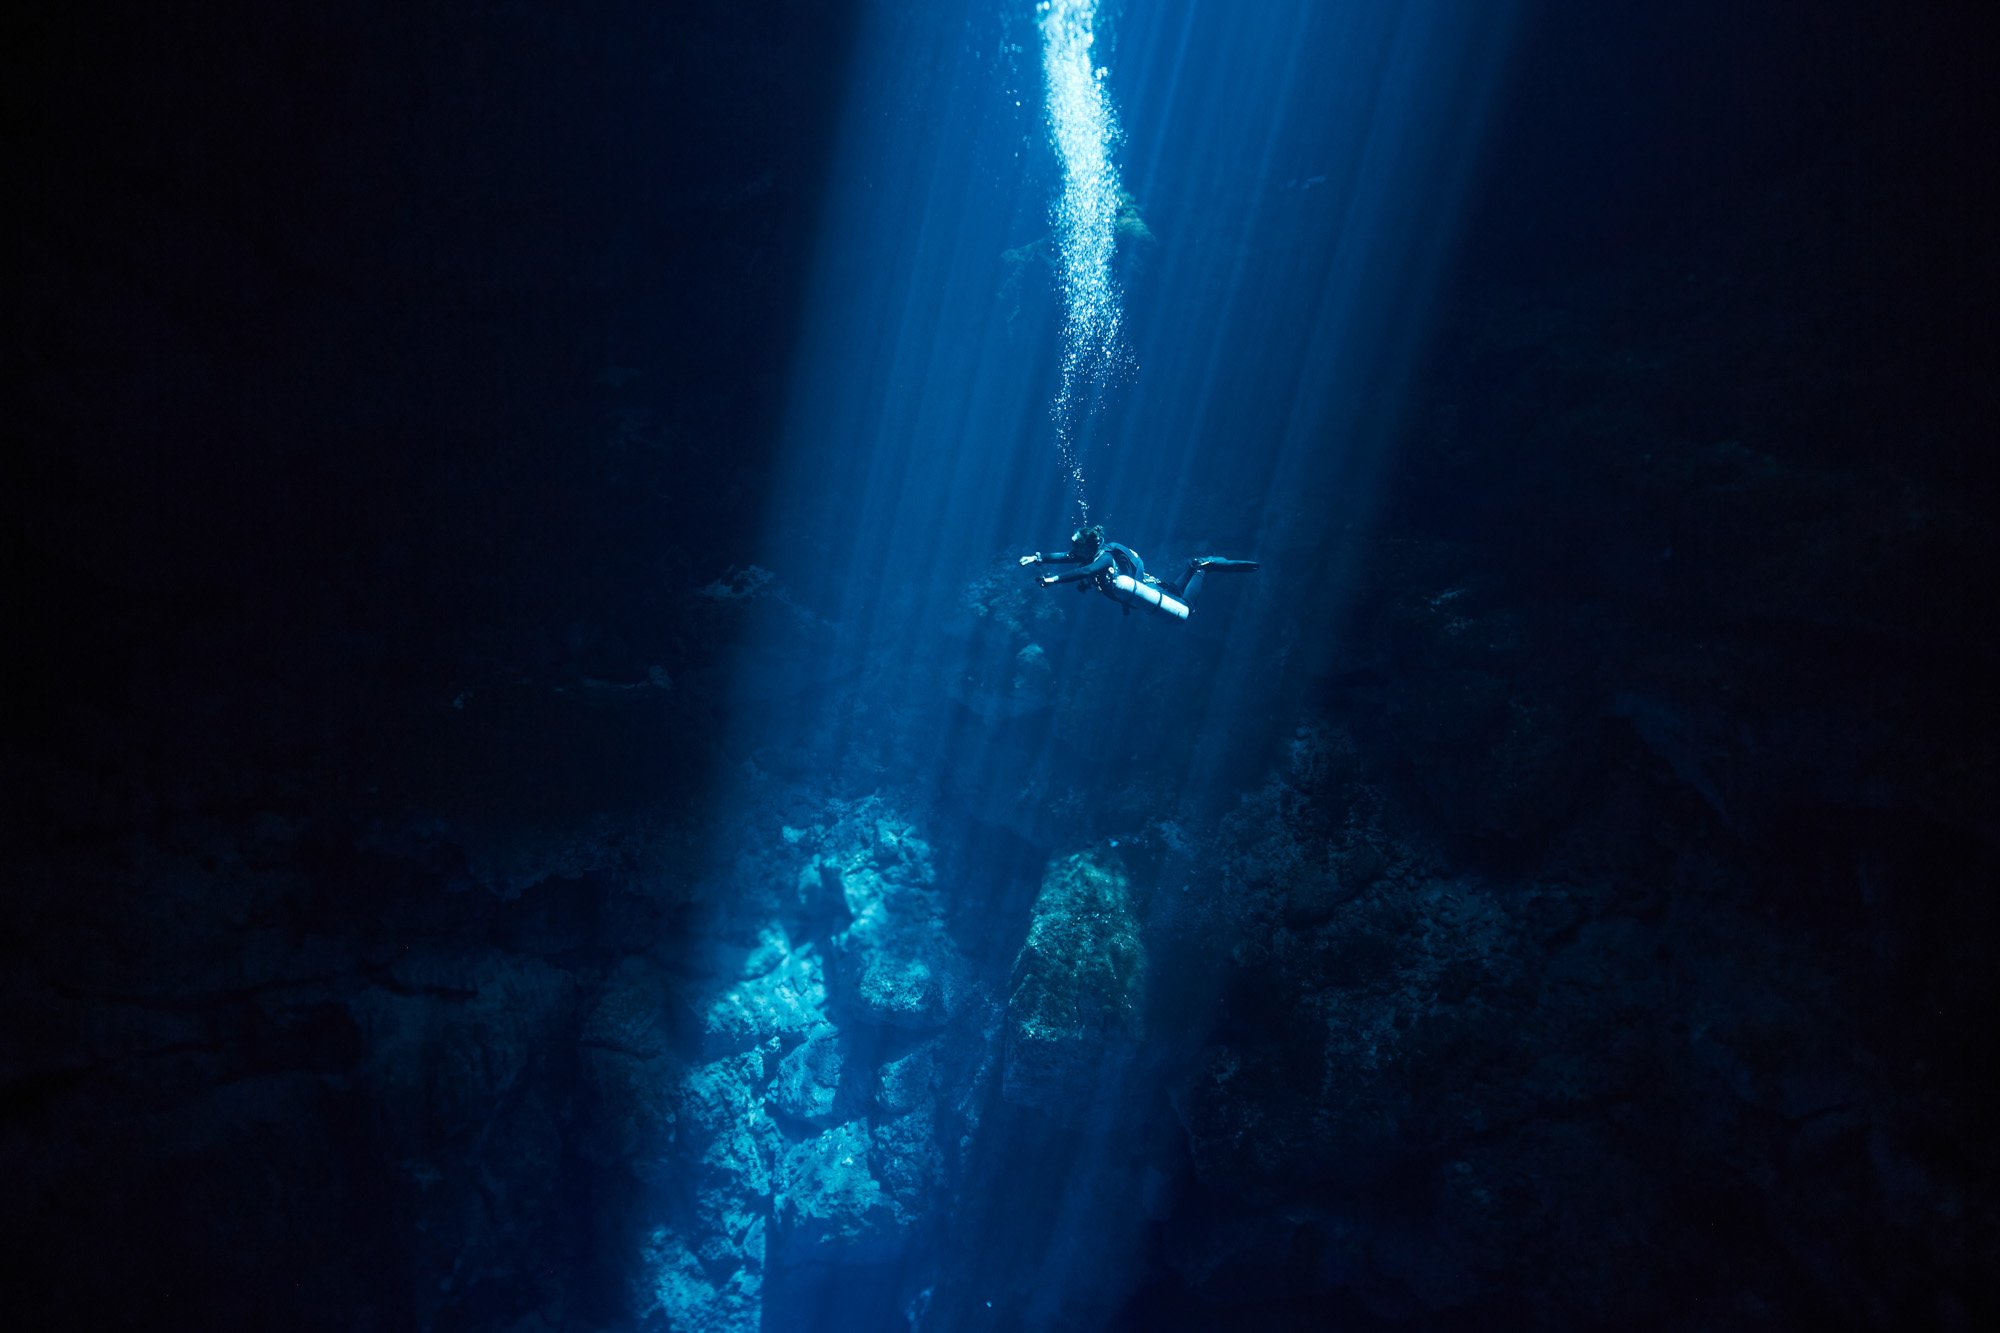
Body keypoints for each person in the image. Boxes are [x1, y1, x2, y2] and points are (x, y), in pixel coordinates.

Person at [1018, 524, 1257, 621]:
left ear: (1089, 545)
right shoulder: (1089, 552)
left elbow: (1087, 571)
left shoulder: (1104, 558)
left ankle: (1204, 568)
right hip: (1145, 587)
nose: (1072, 548)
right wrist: (1036, 558)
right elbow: (1064, 557)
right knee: (1174, 590)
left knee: (1187, 610)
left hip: (1144, 589)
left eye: (1076, 544)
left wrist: (1052, 580)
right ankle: (1194, 566)